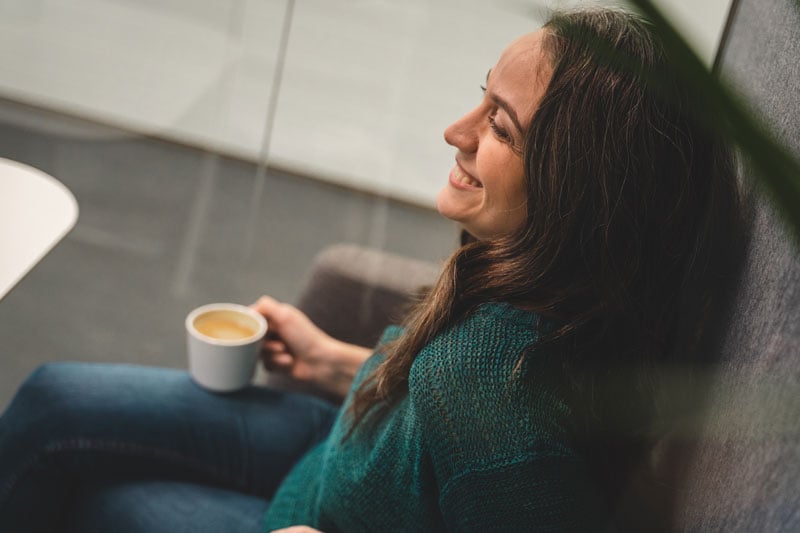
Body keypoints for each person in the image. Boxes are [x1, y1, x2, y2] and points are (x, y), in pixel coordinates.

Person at [0, 6, 741, 532]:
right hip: (335, 448)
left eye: (500, 127)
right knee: (54, 397)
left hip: (313, 512)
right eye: (483, 97)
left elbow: (490, 436)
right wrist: (336, 363)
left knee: (98, 501)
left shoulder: (491, 386)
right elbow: (442, 428)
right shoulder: (550, 291)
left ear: (578, 193)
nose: (455, 130)